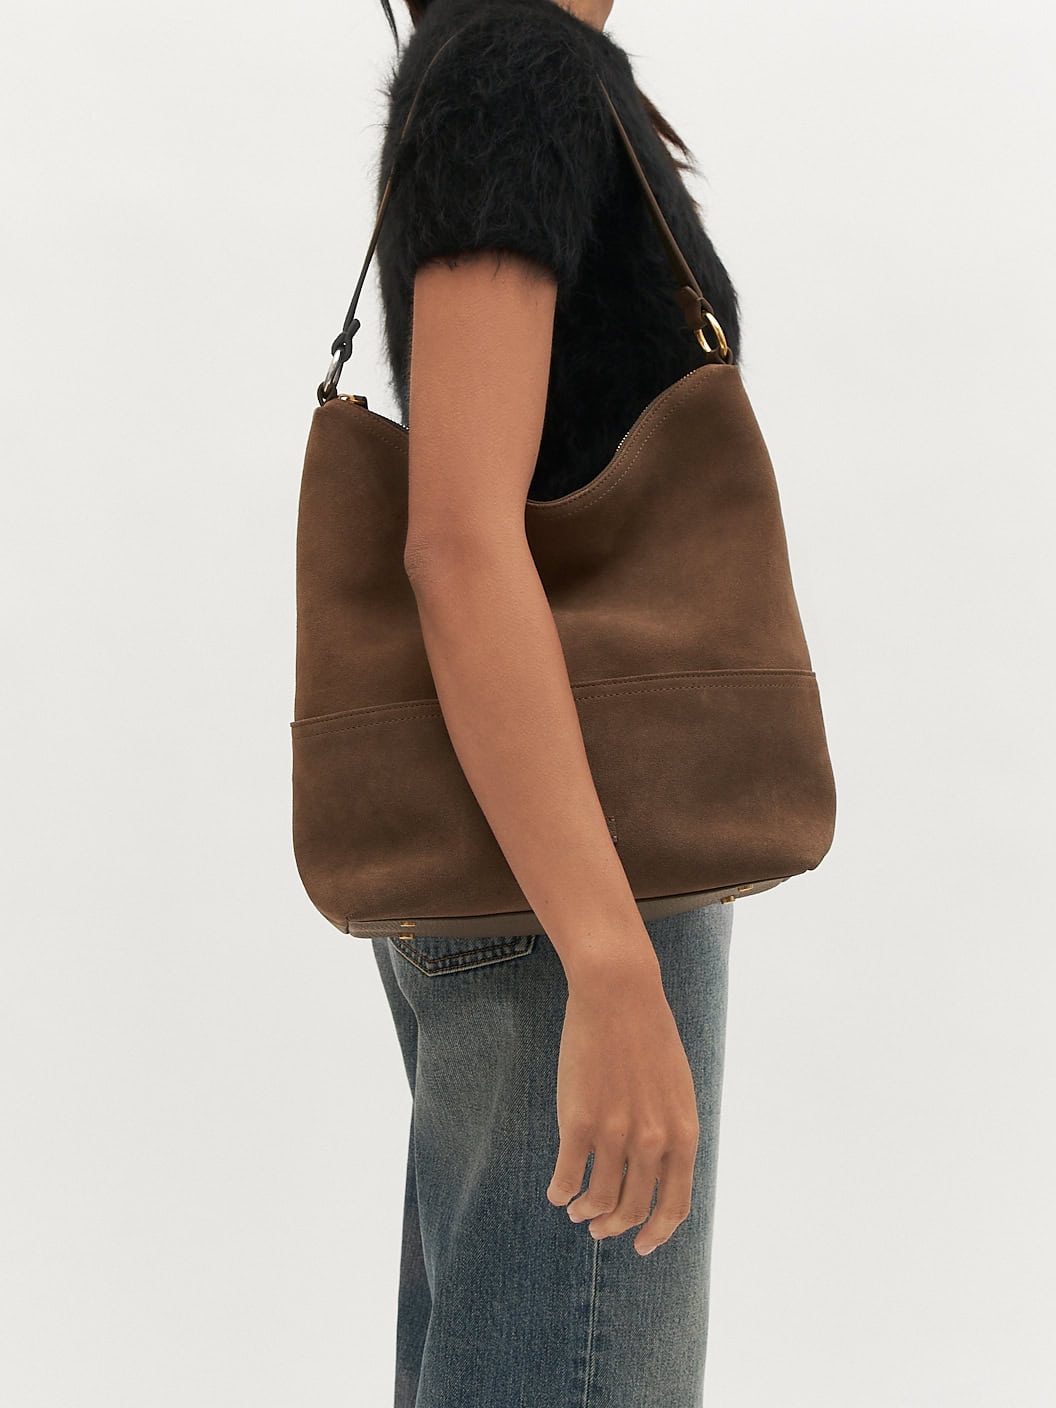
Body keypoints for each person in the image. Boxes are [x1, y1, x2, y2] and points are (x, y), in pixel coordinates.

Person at [366, 0, 744, 1402]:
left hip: (541, 851)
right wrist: (609, 955)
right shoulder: (514, 66)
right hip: (574, 870)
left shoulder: (510, 67)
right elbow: (458, 539)